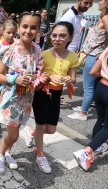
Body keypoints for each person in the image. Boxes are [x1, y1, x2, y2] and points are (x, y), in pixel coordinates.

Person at [0, 12, 48, 174]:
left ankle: (7, 152)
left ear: (38, 30)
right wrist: (14, 79)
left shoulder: (38, 51)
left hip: (26, 99)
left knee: (16, 131)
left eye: (33, 27)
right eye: (25, 26)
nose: (28, 31)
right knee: (14, 135)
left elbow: (37, 73)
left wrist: (41, 77)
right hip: (11, 100)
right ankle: (0, 153)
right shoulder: (10, 50)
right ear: (18, 27)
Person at [25, 22, 79, 173]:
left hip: (56, 95)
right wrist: (47, 77)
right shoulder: (44, 54)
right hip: (42, 93)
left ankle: (32, 133)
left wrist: (69, 79)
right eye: (54, 35)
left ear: (70, 38)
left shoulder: (73, 56)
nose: (57, 39)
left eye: (62, 36)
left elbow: (73, 78)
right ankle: (40, 154)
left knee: (51, 130)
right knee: (42, 126)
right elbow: (36, 75)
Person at [68, 0, 108, 121]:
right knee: (91, 85)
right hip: (92, 55)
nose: (99, 2)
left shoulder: (107, 17)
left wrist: (104, 51)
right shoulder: (106, 17)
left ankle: (83, 113)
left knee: (88, 87)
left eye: (102, 0)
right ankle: (84, 106)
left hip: (94, 56)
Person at [73, 45, 108, 171]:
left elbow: (93, 72)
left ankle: (96, 146)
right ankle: (87, 151)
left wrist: (107, 74)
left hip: (101, 87)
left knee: (100, 120)